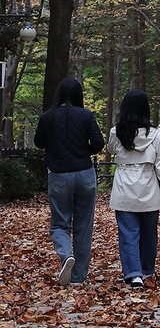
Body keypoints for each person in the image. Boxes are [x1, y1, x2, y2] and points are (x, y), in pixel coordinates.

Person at [34, 77, 104, 286]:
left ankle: (66, 255)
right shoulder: (86, 115)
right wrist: (83, 152)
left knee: (59, 224)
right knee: (84, 225)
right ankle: (78, 277)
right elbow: (98, 143)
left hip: (59, 174)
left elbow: (39, 143)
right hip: (84, 173)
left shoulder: (47, 117)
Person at [107, 89, 160, 288]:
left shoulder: (116, 132)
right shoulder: (155, 135)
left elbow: (111, 149)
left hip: (124, 187)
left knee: (128, 233)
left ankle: (133, 272)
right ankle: (147, 269)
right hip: (148, 187)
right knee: (149, 233)